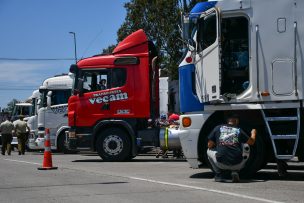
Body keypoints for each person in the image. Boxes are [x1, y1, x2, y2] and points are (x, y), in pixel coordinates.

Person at [207, 114, 256, 182]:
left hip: (220, 164)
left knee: (208, 150)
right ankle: (235, 171)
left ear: (227, 121)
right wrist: (253, 133)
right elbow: (251, 142)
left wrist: (218, 144)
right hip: (238, 164)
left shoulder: (218, 128)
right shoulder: (239, 130)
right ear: (236, 121)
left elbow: (209, 145)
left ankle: (218, 174)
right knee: (245, 146)